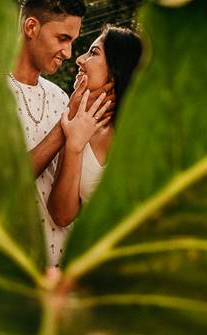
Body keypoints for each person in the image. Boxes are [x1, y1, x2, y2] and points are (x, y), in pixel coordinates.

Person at [8, 0, 114, 269]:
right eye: (62, 38)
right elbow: (5, 182)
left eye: (73, 41)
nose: (68, 53)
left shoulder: (59, 97)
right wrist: (66, 122)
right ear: (31, 27)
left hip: (60, 266)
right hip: (15, 264)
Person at [46, 26, 143, 255]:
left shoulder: (143, 130)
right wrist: (74, 145)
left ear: (117, 69)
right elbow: (61, 215)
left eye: (93, 52)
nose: (79, 59)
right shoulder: (76, 126)